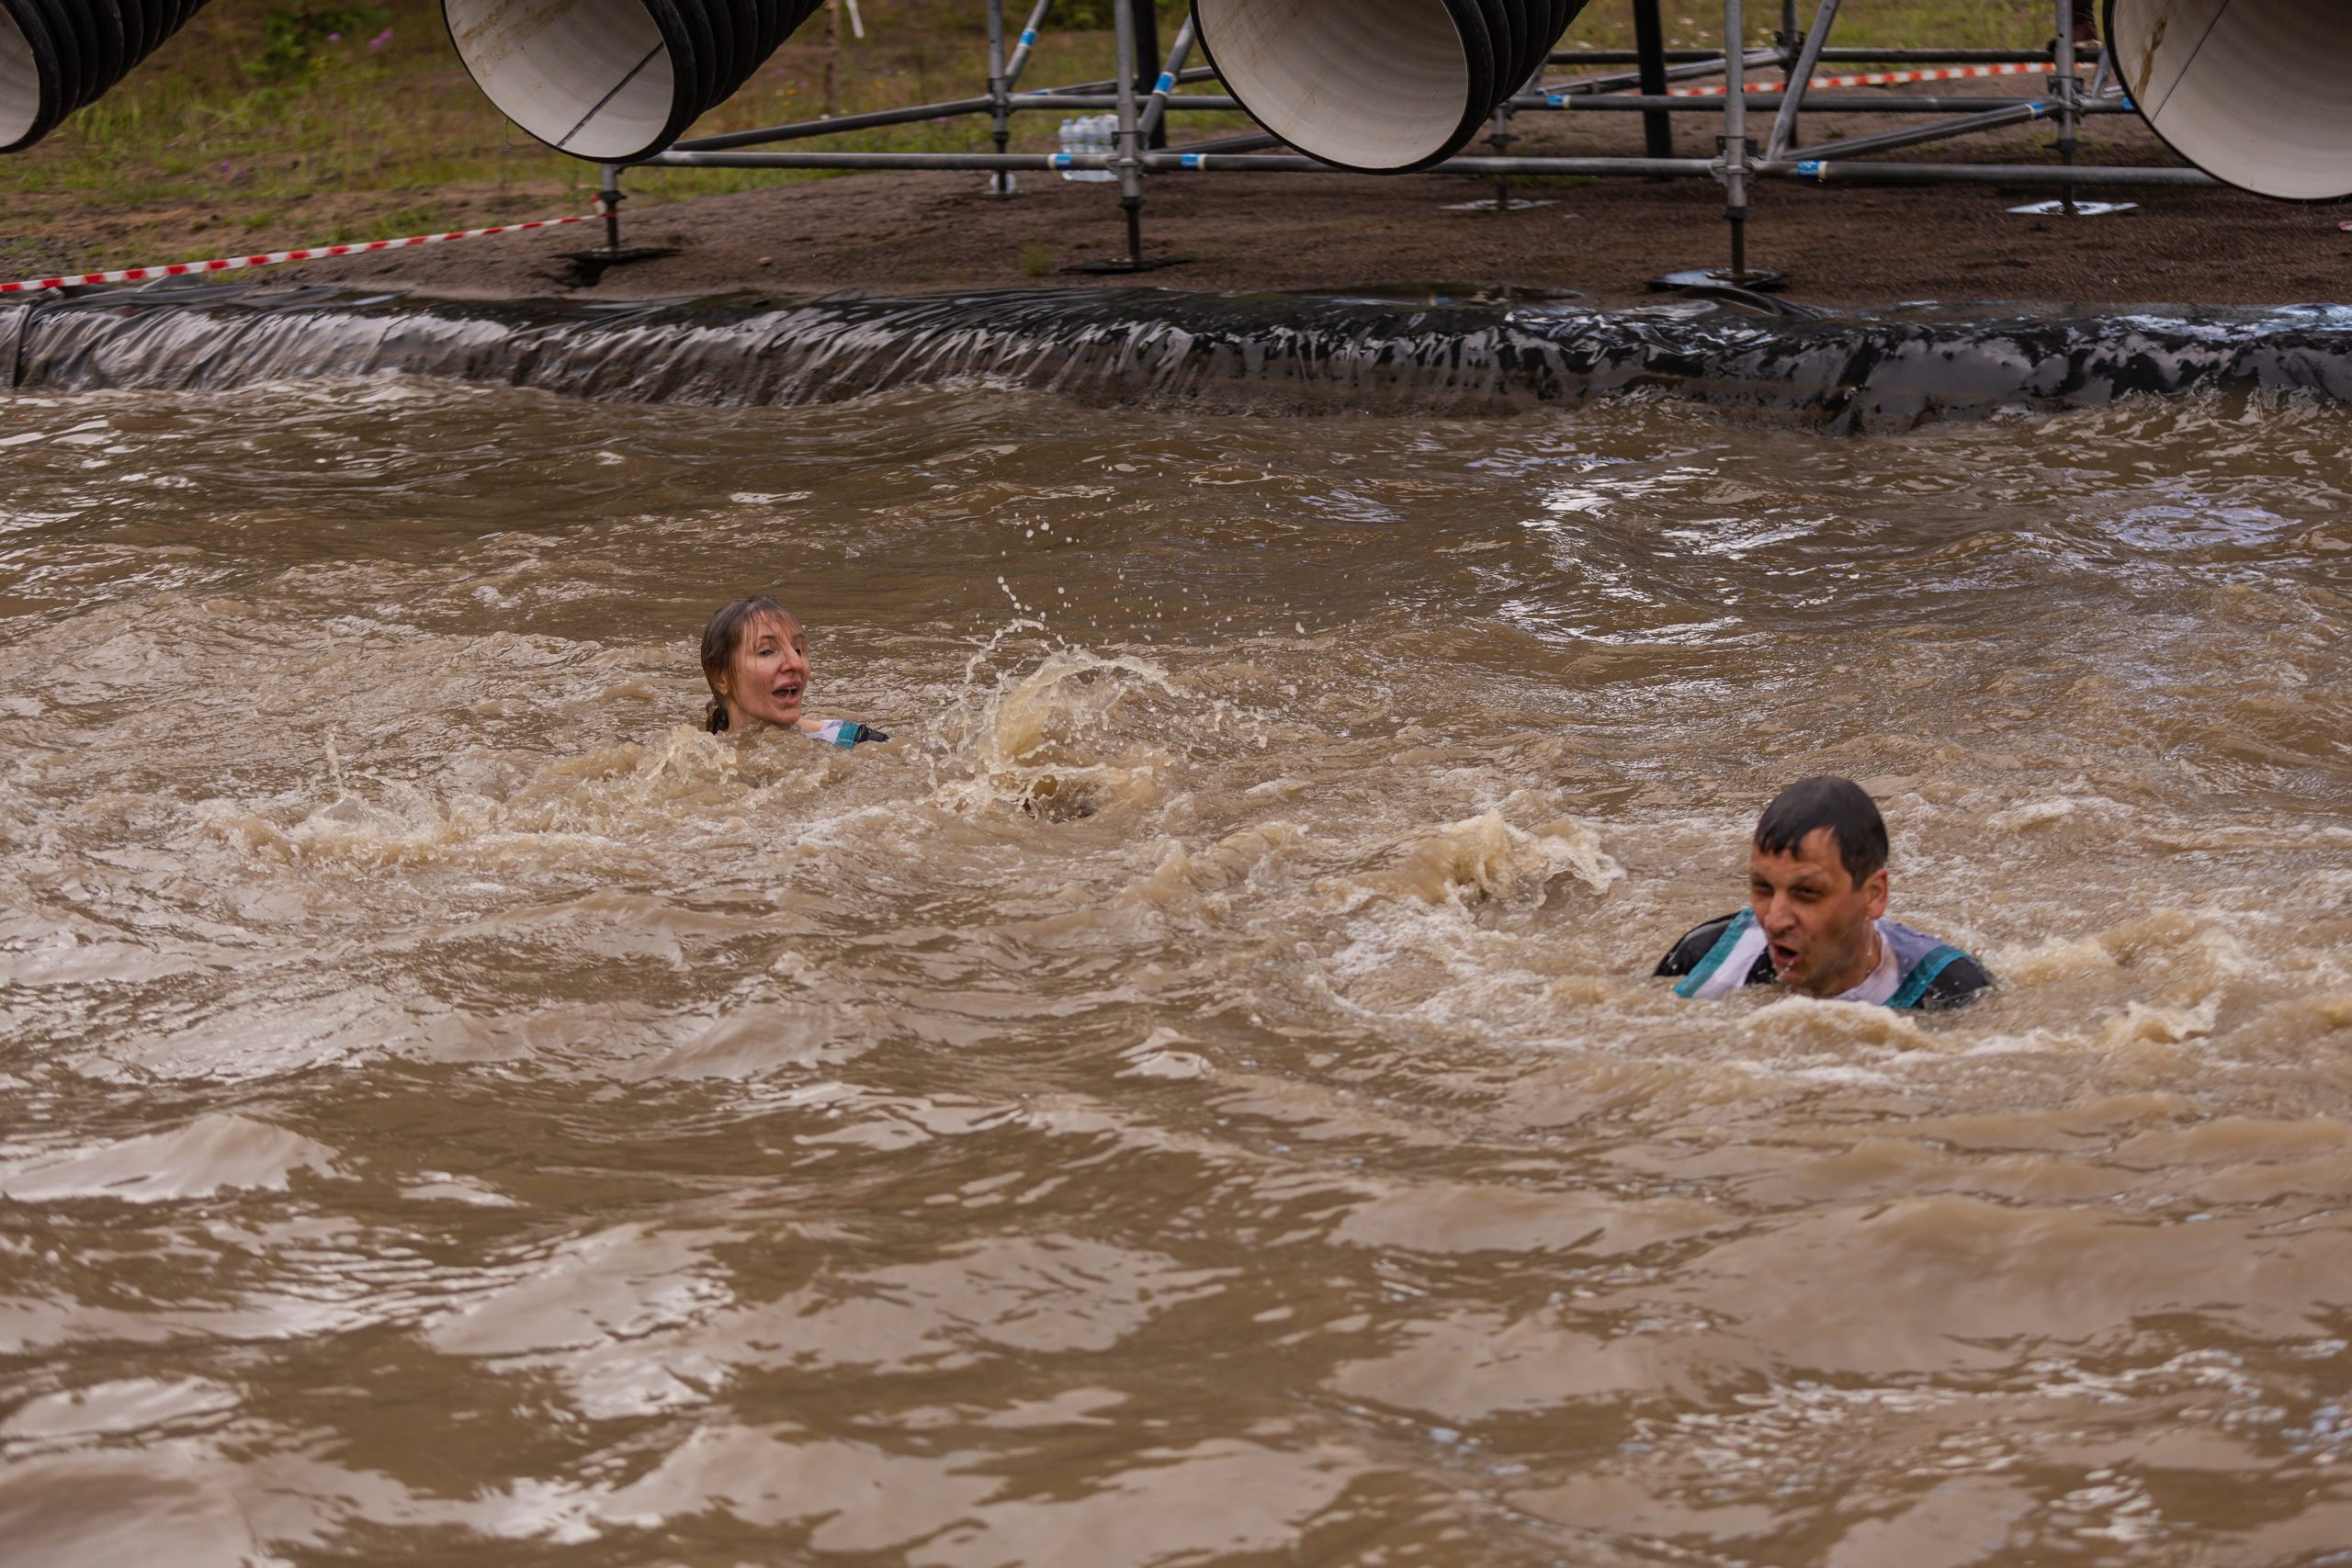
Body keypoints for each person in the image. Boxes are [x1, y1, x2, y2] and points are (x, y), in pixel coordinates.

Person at [1655, 776, 1992, 1010]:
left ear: (1873, 895)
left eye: (1806, 892)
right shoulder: (1702, 958)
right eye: (1763, 888)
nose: (1774, 920)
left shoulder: (1952, 990)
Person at [699, 595, 889, 747]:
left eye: (798, 650)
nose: (796, 663)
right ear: (720, 677)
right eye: (766, 651)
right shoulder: (694, 761)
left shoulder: (852, 741)